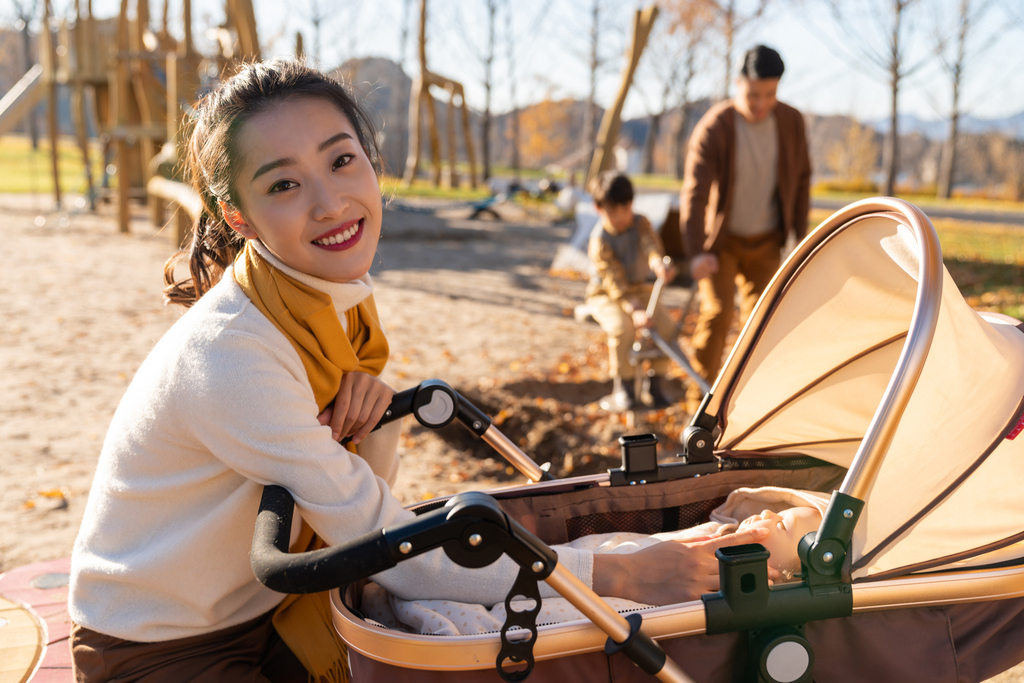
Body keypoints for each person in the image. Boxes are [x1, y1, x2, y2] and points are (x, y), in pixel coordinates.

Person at [67, 59, 774, 682]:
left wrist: (372, 418)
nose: (330, 202)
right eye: (283, 184)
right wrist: (622, 571)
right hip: (160, 646)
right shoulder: (234, 354)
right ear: (238, 215)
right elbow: (382, 540)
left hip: (268, 607)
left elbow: (362, 500)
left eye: (341, 161)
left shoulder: (323, 305)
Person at [361, 487, 826, 636]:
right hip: (622, 562)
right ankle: (431, 589)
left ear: (784, 576)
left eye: (782, 526)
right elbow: (652, 541)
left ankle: (445, 615)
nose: (767, 515)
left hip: (636, 605)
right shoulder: (716, 533)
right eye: (777, 509)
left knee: (552, 615)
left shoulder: (757, 587)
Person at [680, 45, 811, 412]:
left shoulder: (791, 121)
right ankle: (698, 405)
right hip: (721, 245)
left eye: (771, 94)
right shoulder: (716, 127)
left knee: (764, 325)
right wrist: (697, 252)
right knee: (718, 314)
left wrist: (800, 242)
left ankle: (752, 408)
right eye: (754, 95)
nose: (761, 104)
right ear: (738, 83)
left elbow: (801, 181)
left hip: (767, 242)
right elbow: (695, 193)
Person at [585, 171, 678, 412]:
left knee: (665, 326)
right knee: (622, 328)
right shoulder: (600, 240)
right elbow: (614, 281)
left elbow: (650, 245)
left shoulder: (640, 223)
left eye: (624, 210)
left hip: (639, 289)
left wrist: (658, 262)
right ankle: (624, 387)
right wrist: (634, 309)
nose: (620, 217)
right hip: (606, 294)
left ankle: (655, 384)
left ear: (632, 205)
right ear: (598, 209)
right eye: (612, 212)